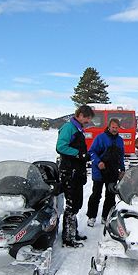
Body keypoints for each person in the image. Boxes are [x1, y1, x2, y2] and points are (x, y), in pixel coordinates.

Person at [56, 105, 94, 247]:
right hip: (69, 172)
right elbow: (60, 146)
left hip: (76, 172)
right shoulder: (68, 127)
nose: (88, 121)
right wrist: (79, 154)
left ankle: (73, 232)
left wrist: (84, 157)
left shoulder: (78, 129)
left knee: (77, 203)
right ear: (79, 115)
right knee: (71, 205)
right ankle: (68, 238)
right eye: (87, 117)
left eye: (89, 118)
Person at [86, 118, 125, 226]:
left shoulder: (120, 140)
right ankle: (91, 216)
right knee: (96, 195)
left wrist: (122, 170)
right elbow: (91, 152)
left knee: (110, 196)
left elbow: (121, 157)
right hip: (100, 171)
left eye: (117, 128)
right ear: (109, 127)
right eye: (113, 127)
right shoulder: (100, 138)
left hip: (113, 172)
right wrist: (98, 162)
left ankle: (105, 216)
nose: (114, 129)